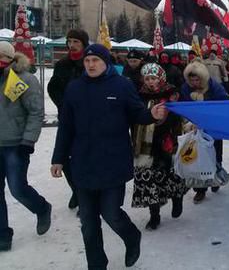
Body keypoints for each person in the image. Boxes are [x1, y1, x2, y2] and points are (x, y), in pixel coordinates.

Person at [51, 44, 168, 270]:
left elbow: (137, 113)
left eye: (95, 60)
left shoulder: (121, 85)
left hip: (113, 161)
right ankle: (97, 264)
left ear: (106, 62)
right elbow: (65, 126)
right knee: (88, 222)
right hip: (83, 163)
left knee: (111, 214)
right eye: (87, 61)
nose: (91, 64)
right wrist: (58, 158)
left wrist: (150, 115)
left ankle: (132, 236)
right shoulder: (74, 89)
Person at [0, 42, 51, 252]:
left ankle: (42, 208)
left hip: (15, 145)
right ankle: (3, 234)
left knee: (17, 189)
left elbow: (36, 112)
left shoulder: (23, 79)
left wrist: (28, 141)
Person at [132, 63, 187, 230]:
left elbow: (179, 115)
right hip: (145, 146)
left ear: (161, 78)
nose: (150, 82)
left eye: (154, 78)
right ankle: (154, 215)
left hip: (168, 142)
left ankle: (177, 200)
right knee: (149, 181)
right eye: (147, 78)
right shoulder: (138, 95)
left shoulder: (172, 94)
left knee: (172, 175)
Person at [47, 28, 90, 211]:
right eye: (69, 41)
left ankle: (85, 196)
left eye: (76, 42)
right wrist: (62, 104)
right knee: (64, 158)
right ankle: (77, 190)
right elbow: (53, 87)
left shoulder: (90, 63)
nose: (71, 45)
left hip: (87, 120)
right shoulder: (62, 64)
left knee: (84, 158)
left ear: (83, 44)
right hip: (67, 118)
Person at [180, 59, 229, 203]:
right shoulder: (185, 88)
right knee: (197, 158)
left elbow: (224, 102)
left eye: (197, 79)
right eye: (191, 79)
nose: (194, 82)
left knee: (215, 154)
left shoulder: (214, 87)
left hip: (213, 127)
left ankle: (215, 178)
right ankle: (200, 189)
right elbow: (183, 106)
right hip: (194, 128)